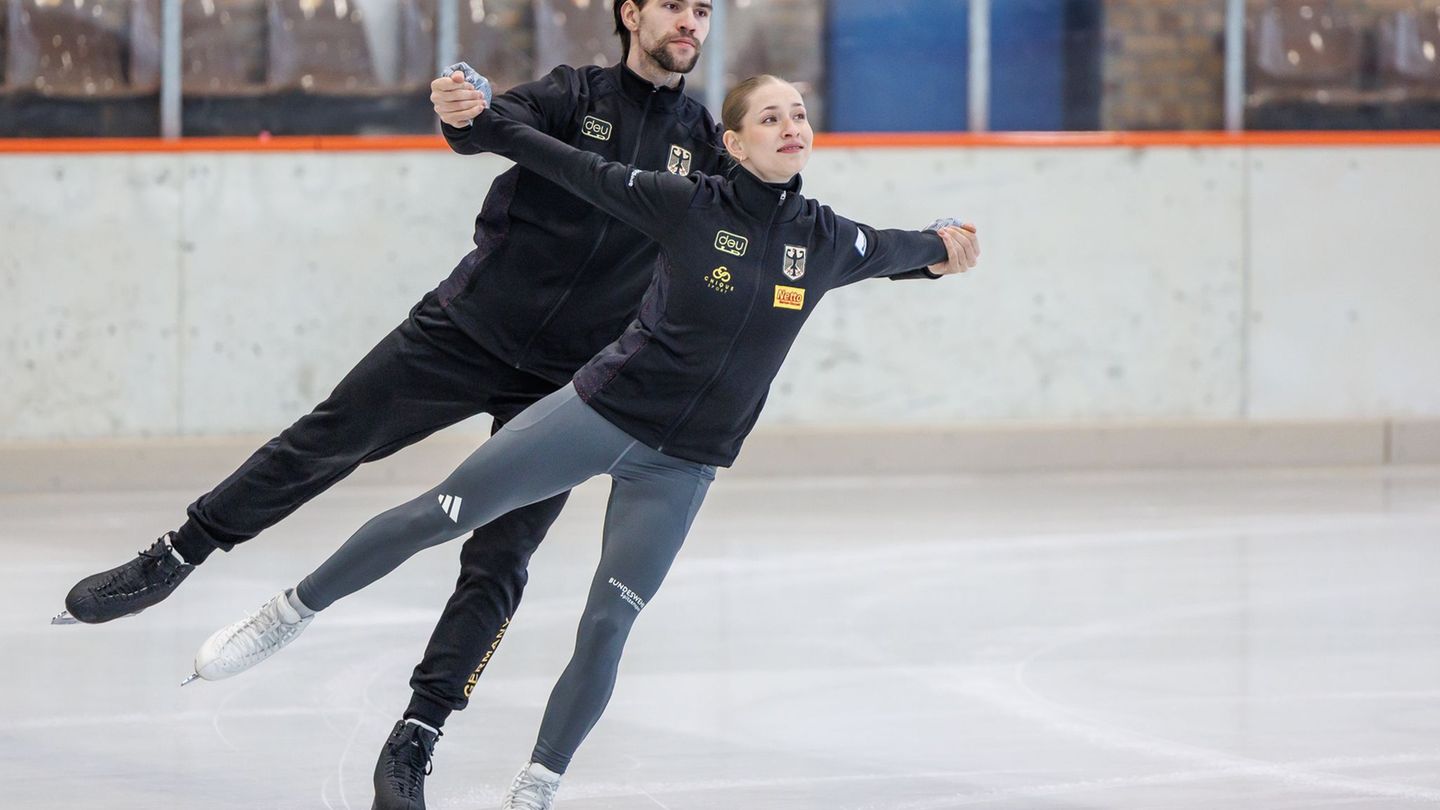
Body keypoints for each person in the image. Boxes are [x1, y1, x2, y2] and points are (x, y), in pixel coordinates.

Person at [189, 74, 980, 810]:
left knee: (608, 623)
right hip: (595, 415)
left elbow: (902, 248)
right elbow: (566, 164)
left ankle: (534, 788)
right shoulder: (685, 202)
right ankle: (286, 615)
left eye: (799, 114)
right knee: (442, 513)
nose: (791, 125)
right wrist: (484, 116)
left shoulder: (827, 240)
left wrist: (945, 247)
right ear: (733, 143)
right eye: (769, 116)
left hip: (682, 467)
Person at [58, 2, 723, 808]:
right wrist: (459, 107)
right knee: (325, 441)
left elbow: (753, 232)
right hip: (467, 328)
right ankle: (174, 556)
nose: (690, 22)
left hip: (569, 385)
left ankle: (418, 733)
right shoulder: (571, 94)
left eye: (704, 10)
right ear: (631, 14)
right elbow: (481, 122)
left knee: (499, 560)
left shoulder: (706, 145)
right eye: (674, 7)